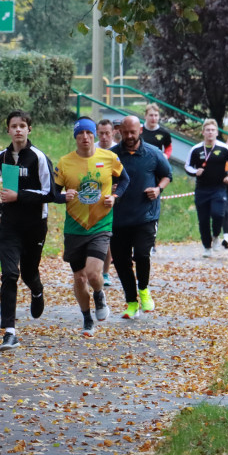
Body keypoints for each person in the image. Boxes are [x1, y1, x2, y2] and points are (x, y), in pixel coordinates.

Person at [0, 110, 55, 351]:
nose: (18, 130)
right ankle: (10, 332)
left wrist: (18, 196)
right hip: (10, 225)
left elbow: (50, 193)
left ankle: (37, 290)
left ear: (29, 129)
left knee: (28, 273)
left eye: (22, 125)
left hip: (35, 225)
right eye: (13, 126)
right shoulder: (2, 156)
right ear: (8, 130)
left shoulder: (38, 158)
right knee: (10, 274)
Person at [54, 117, 130, 336]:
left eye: (89, 133)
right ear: (76, 137)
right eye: (80, 134)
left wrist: (115, 197)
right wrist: (62, 196)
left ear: (94, 135)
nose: (85, 138)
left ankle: (99, 294)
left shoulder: (109, 158)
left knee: (93, 274)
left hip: (100, 223)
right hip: (75, 226)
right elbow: (53, 193)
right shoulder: (65, 162)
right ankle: (87, 319)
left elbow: (125, 180)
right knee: (79, 278)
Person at [110, 116, 172, 318]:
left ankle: (144, 290)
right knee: (121, 261)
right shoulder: (111, 156)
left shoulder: (153, 154)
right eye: (125, 132)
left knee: (142, 254)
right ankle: (131, 302)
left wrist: (158, 188)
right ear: (119, 131)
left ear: (140, 131)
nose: (128, 136)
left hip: (146, 215)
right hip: (119, 217)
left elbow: (167, 175)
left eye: (132, 132)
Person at [185, 119, 228, 258]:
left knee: (218, 214)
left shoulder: (224, 148)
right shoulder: (196, 149)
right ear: (203, 132)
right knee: (203, 220)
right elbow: (187, 166)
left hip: (218, 188)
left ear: (217, 132)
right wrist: (194, 172)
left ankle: (215, 236)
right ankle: (207, 247)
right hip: (202, 189)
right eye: (207, 130)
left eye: (213, 130)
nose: (210, 132)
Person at [95, 119, 117, 286]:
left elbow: (126, 175)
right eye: (101, 133)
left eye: (107, 133)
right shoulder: (91, 149)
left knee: (111, 237)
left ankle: (106, 272)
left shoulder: (118, 151)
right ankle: (100, 271)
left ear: (113, 133)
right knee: (100, 236)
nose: (104, 137)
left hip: (116, 199)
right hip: (95, 199)